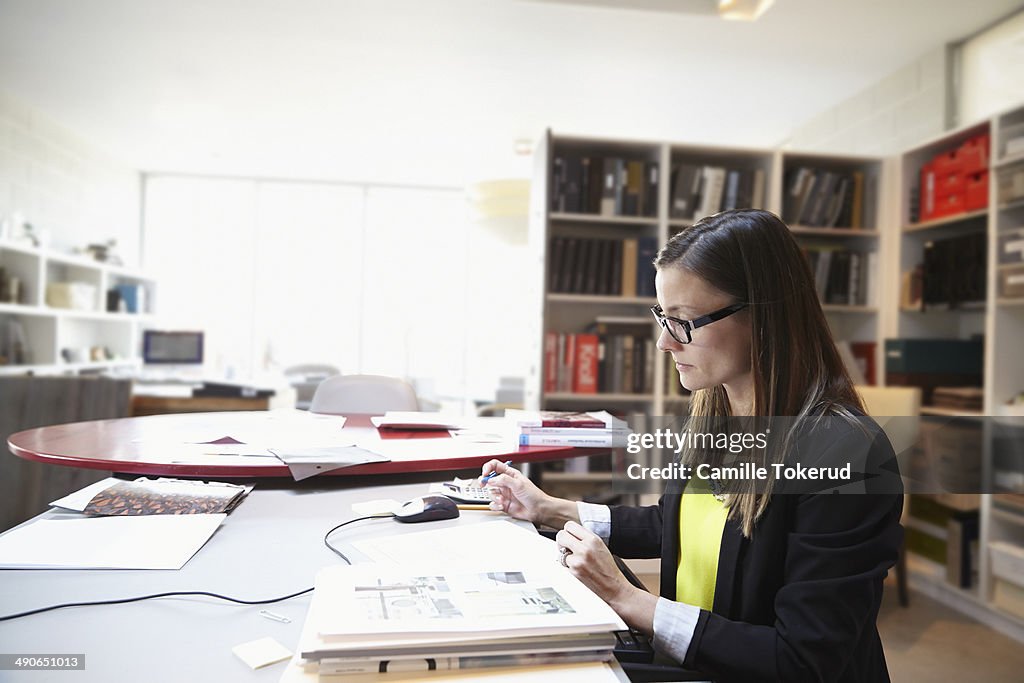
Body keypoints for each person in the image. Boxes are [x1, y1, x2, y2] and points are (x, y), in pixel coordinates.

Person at [481, 209, 903, 682]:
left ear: (763, 317)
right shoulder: (716, 418)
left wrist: (629, 599)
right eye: (663, 315)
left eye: (683, 320)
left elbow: (804, 660)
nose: (664, 341)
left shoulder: (847, 453)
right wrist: (551, 509)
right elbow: (679, 522)